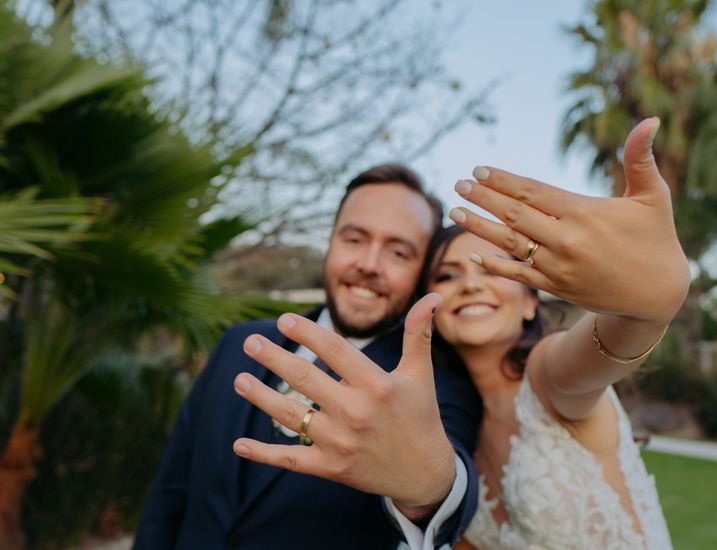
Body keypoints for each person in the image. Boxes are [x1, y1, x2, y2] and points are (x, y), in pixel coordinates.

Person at [234, 118, 688, 549]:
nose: (470, 284)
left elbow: (600, 350)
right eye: (447, 277)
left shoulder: (550, 378)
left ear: (530, 298)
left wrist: (644, 309)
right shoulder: (451, 415)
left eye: (492, 270)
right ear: (425, 306)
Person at [135, 164, 483, 549]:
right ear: (331, 242)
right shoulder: (240, 342)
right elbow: (171, 490)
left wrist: (430, 485)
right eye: (354, 239)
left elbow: (446, 475)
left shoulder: (432, 387)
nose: (368, 264)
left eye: (398, 252)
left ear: (420, 273)